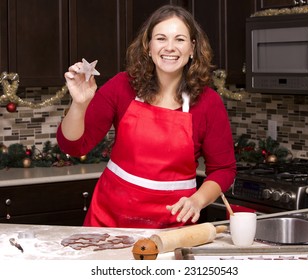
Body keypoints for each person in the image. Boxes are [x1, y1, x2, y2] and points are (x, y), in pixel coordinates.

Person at [56, 4, 236, 229]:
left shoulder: (208, 103)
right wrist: (79, 104)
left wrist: (197, 201)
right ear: (148, 46)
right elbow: (74, 146)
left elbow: (223, 169)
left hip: (171, 227)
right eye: (161, 38)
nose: (170, 47)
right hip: (110, 221)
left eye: (179, 39)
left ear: (192, 49)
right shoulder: (122, 86)